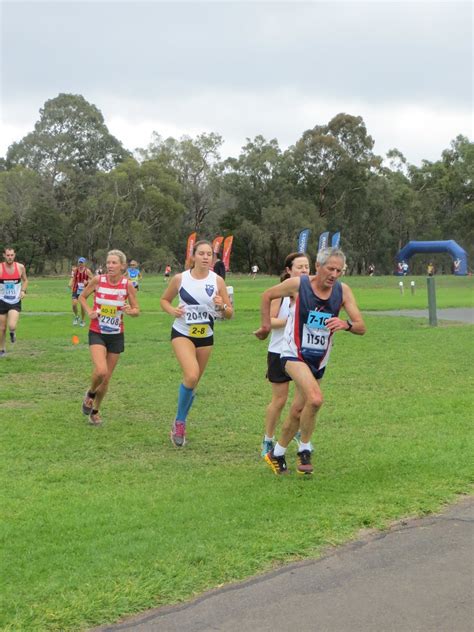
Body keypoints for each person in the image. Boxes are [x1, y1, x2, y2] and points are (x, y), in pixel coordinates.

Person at [254, 247, 366, 476]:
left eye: (339, 270)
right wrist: (266, 327)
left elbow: (361, 326)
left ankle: (276, 453)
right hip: (293, 353)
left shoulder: (343, 292)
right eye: (330, 268)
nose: (334, 274)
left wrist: (346, 325)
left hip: (319, 357)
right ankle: (304, 448)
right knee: (315, 399)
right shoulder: (299, 285)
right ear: (318, 266)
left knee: (297, 410)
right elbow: (267, 295)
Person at [160, 240, 233, 447]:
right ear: (193, 256)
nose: (205, 257)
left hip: (205, 335)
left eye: (209, 254)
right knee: (190, 375)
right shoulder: (180, 278)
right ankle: (180, 422)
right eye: (201, 253)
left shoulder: (218, 281)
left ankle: (179, 420)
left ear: (213, 258)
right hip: (182, 332)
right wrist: (172, 310)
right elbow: (164, 300)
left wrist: (221, 307)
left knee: (193, 384)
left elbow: (229, 314)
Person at [79, 250, 140, 425]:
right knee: (101, 370)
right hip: (97, 332)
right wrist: (90, 311)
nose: (110, 266)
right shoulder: (98, 280)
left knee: (106, 380)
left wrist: (131, 311)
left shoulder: (127, 285)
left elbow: (137, 310)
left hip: (116, 335)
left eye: (114, 263)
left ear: (123, 266)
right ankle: (90, 393)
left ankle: (95, 410)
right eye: (108, 263)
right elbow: (82, 297)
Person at [261, 252, 310, 457]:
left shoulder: (311, 293)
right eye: (300, 267)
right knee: (279, 400)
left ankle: (300, 435)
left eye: (307, 266)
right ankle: (268, 440)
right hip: (279, 352)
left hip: (302, 353)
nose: (305, 270)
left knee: (306, 399)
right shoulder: (280, 295)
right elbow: (270, 321)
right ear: (289, 270)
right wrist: (293, 320)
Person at [0, 246, 28, 356]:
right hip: (2, 300)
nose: (10, 257)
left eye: (12, 255)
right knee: (2, 328)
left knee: (11, 325)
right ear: (4, 255)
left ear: (14, 255)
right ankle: (2, 349)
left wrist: (23, 291)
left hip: (15, 301)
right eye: (8, 255)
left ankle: (12, 333)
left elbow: (25, 280)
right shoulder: (0, 268)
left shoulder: (20, 267)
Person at [69, 257, 93, 326]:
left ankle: (82, 320)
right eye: (79, 262)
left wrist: (87, 282)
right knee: (74, 304)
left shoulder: (87, 271)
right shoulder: (75, 270)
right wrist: (70, 284)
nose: (80, 264)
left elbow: (93, 279)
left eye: (82, 263)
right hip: (76, 289)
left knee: (82, 306)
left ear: (84, 263)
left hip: (84, 291)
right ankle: (77, 316)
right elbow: (73, 278)